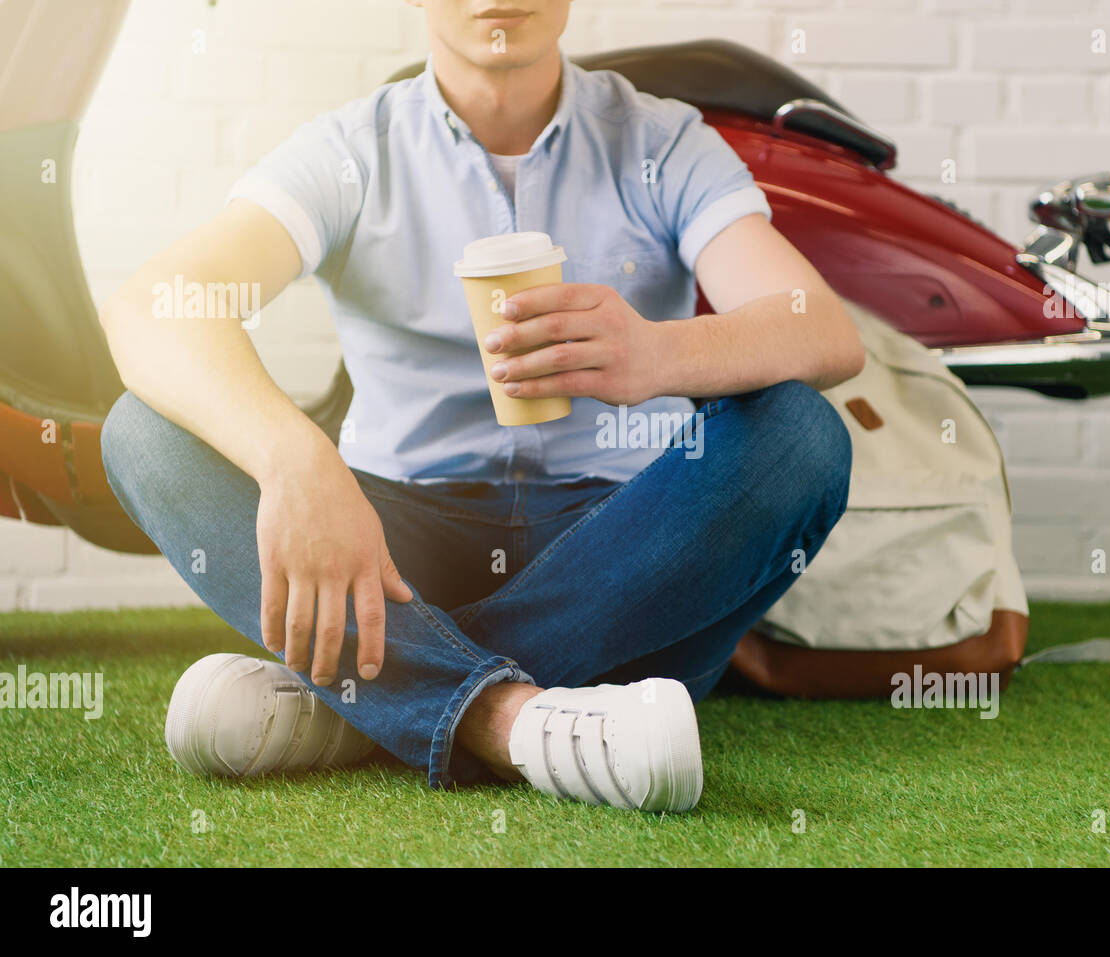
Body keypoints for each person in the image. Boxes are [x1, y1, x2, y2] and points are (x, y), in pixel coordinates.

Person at [98, 0, 864, 813]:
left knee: (802, 436)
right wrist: (297, 456)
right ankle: (519, 719)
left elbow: (819, 328)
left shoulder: (662, 141)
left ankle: (371, 706)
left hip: (622, 554)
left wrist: (658, 355)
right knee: (142, 431)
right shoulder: (352, 150)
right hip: (394, 547)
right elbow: (154, 305)